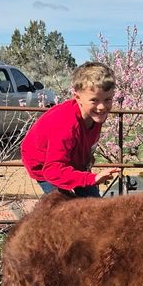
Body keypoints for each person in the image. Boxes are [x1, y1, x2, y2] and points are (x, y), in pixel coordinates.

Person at [20, 61, 120, 197]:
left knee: (92, 201)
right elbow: (52, 170)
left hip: (74, 160)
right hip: (45, 165)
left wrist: (87, 165)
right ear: (77, 97)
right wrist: (92, 178)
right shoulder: (65, 124)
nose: (102, 107)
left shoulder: (95, 114)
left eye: (107, 100)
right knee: (63, 204)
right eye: (94, 100)